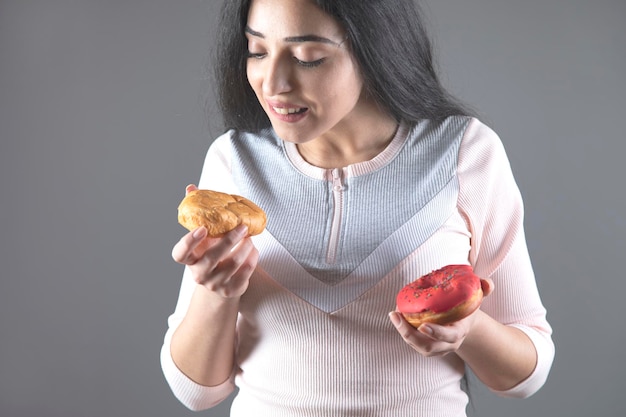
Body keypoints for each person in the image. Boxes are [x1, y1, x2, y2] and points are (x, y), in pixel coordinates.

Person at [160, 0, 555, 416]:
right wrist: (215, 291)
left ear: (375, 50)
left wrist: (468, 329)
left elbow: (527, 373)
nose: (272, 82)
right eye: (257, 51)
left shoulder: (463, 154)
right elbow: (197, 392)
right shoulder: (235, 162)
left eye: (307, 57)